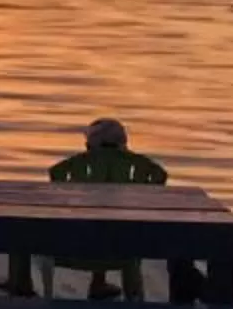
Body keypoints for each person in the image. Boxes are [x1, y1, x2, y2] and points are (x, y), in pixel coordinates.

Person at [9, 117, 166, 298]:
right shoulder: (146, 169)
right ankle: (100, 284)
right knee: (109, 224)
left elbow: (56, 181)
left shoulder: (70, 167)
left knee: (18, 229)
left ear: (90, 145)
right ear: (124, 144)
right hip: (125, 249)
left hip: (71, 248)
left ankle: (21, 287)